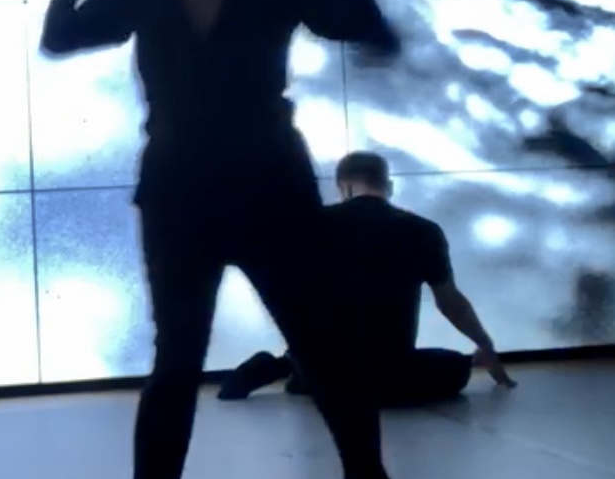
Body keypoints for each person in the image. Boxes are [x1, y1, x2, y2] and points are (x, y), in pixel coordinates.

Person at [41, 0, 404, 479]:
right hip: (180, 197)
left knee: (323, 352)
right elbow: (60, 36)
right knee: (175, 370)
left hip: (274, 190)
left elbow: (366, 30)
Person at [218, 151, 517, 404]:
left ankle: (290, 365)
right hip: (390, 371)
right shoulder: (422, 230)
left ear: (343, 187)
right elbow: (450, 303)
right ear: (389, 186)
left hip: (323, 372)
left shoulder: (311, 227)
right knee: (454, 367)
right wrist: (485, 345)